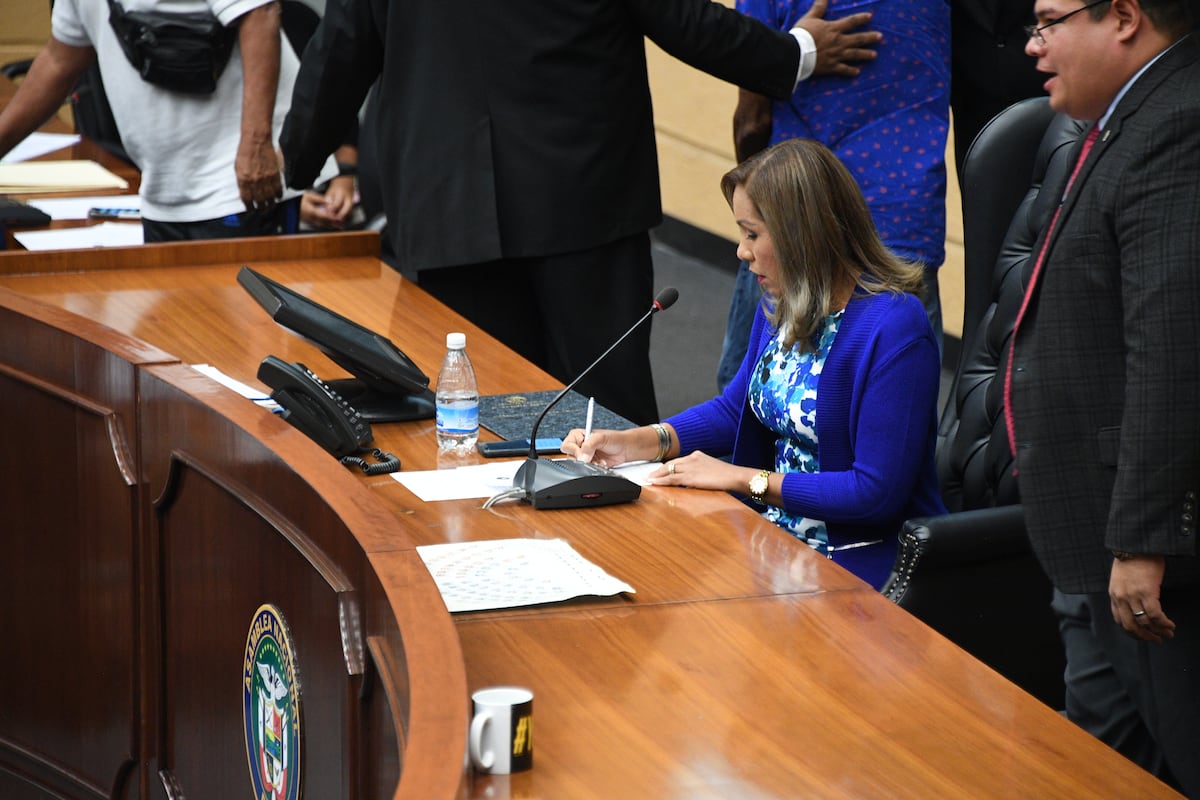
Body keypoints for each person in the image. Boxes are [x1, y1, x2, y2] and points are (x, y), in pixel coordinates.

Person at [279, 0, 882, 427]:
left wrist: (291, 167)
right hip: (582, 203)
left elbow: (342, 47)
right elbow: (683, 20)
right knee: (608, 418)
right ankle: (638, 581)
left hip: (449, 207)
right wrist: (794, 53)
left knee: (477, 415)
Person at [563, 139, 946, 589]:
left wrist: (744, 479)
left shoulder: (895, 328)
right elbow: (735, 409)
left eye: (752, 234)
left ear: (800, 234)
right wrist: (641, 442)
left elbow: (874, 494)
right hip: (770, 541)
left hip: (857, 565)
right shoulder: (784, 303)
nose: (741, 252)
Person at [1005, 0, 1200, 792]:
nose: (1032, 43)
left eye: (1050, 19)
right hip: (1088, 527)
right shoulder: (1129, 114)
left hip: (1138, 551)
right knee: (1099, 767)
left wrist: (1141, 541)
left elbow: (1172, 348)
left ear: (1123, 15)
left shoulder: (1178, 127)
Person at [716, 0, 950, 392]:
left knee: (751, 394)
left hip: (792, 217)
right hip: (904, 213)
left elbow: (752, 118)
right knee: (900, 397)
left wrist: (755, 204)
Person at [0, 0, 336, 241]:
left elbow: (260, 14)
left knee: (244, 337)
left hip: (242, 184)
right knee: (178, 334)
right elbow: (61, 60)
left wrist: (256, 145)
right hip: (164, 190)